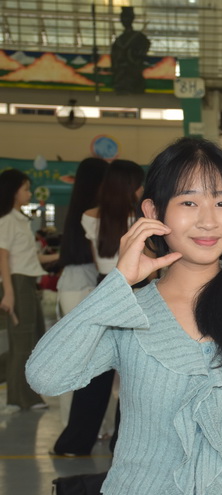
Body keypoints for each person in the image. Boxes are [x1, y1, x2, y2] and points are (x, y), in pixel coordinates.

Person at [27, 138, 222, 495]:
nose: (208, 220)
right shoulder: (128, 311)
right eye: (189, 202)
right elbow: (45, 376)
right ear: (153, 212)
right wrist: (117, 283)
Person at [51, 159, 144, 456]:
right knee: (134, 375)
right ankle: (123, 444)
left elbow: (98, 261)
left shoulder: (89, 216)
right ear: (131, 186)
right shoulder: (141, 220)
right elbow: (148, 267)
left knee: (96, 372)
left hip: (104, 290)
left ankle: (75, 442)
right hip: (137, 292)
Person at [53, 157, 108, 429]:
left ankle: (77, 427)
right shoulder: (92, 214)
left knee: (83, 361)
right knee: (81, 361)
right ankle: (75, 427)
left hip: (74, 285)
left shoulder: (80, 212)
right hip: (82, 287)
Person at [0, 169, 58, 412]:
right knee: (22, 342)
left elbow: (31, 258)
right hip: (17, 283)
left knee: (32, 339)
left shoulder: (20, 220)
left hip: (26, 282)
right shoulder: (7, 220)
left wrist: (62, 255)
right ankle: (17, 398)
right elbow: (3, 257)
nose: (29, 193)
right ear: (13, 192)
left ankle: (27, 396)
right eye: (25, 188)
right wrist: (9, 292)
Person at [111, 6, 151, 94]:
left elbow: (144, 48)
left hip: (133, 72)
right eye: (123, 18)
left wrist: (133, 55)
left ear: (132, 18)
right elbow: (114, 57)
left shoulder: (139, 37)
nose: (125, 20)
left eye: (127, 17)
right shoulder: (119, 40)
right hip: (122, 74)